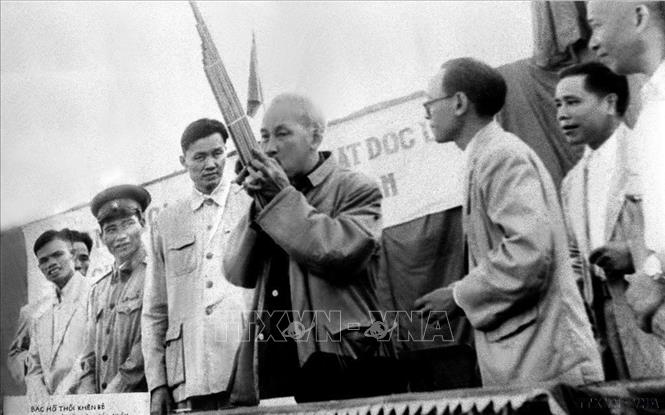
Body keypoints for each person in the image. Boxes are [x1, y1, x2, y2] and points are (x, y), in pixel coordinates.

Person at [414, 57, 603, 386]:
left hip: (549, 361)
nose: (426, 114)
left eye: (429, 103)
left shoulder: (501, 157)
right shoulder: (487, 156)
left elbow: (529, 252)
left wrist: (459, 296)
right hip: (530, 358)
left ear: (459, 103)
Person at [224, 93, 390, 403]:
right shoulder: (272, 197)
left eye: (282, 134)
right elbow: (235, 272)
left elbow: (338, 252)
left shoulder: (356, 188)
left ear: (315, 136)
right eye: (264, 137)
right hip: (276, 359)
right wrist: (258, 206)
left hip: (337, 360)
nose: (269, 148)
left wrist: (280, 198)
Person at [556, 61, 665, 379]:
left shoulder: (646, 153)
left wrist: (633, 252)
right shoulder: (572, 182)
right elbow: (574, 255)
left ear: (610, 103)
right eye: (558, 105)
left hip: (651, 304)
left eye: (573, 102)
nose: (562, 114)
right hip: (604, 320)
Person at [143, 119, 253, 414]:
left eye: (217, 153)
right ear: (183, 162)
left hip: (246, 365)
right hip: (192, 374)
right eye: (199, 157)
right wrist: (157, 384)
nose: (211, 164)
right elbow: (154, 310)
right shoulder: (166, 221)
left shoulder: (252, 202)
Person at [588, 1, 665, 342]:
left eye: (597, 25)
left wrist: (656, 275)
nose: (592, 42)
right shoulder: (651, 111)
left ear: (639, 17)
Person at [71, 184, 151, 393]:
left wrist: (113, 394)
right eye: (111, 229)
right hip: (104, 402)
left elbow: (148, 343)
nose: (121, 236)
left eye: (128, 224)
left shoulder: (156, 274)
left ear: (143, 224)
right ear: (101, 236)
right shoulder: (98, 289)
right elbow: (88, 353)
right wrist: (91, 398)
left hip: (143, 399)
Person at [6, 228, 91, 390]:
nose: (51, 263)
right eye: (44, 260)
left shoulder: (96, 292)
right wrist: (40, 394)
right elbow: (32, 366)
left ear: (72, 256)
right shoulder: (39, 313)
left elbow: (93, 355)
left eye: (58, 255)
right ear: (40, 268)